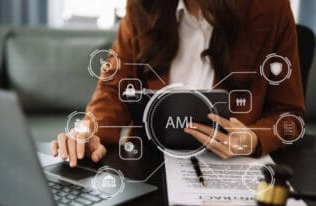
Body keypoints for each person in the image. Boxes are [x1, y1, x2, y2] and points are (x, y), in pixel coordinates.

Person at [51, 0, 305, 167]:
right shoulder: (142, 6)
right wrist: (88, 130)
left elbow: (290, 117)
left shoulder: (270, 9)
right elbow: (113, 90)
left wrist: (253, 139)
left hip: (230, 170)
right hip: (150, 167)